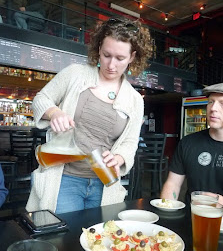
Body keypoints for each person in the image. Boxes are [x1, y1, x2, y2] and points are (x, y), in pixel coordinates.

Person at [26, 17, 153, 214]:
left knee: (97, 240)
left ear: (132, 57)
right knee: (63, 239)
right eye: (106, 55)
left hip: (104, 184)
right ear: (99, 49)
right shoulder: (76, 74)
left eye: (120, 58)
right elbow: (41, 98)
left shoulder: (135, 100)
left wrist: (119, 158)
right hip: (65, 179)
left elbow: (130, 142)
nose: (111, 65)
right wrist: (54, 113)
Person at [160, 82, 223, 205]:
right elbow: (173, 184)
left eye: (222, 103)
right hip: (192, 219)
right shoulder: (188, 143)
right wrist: (166, 209)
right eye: (211, 102)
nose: (214, 108)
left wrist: (216, 201)